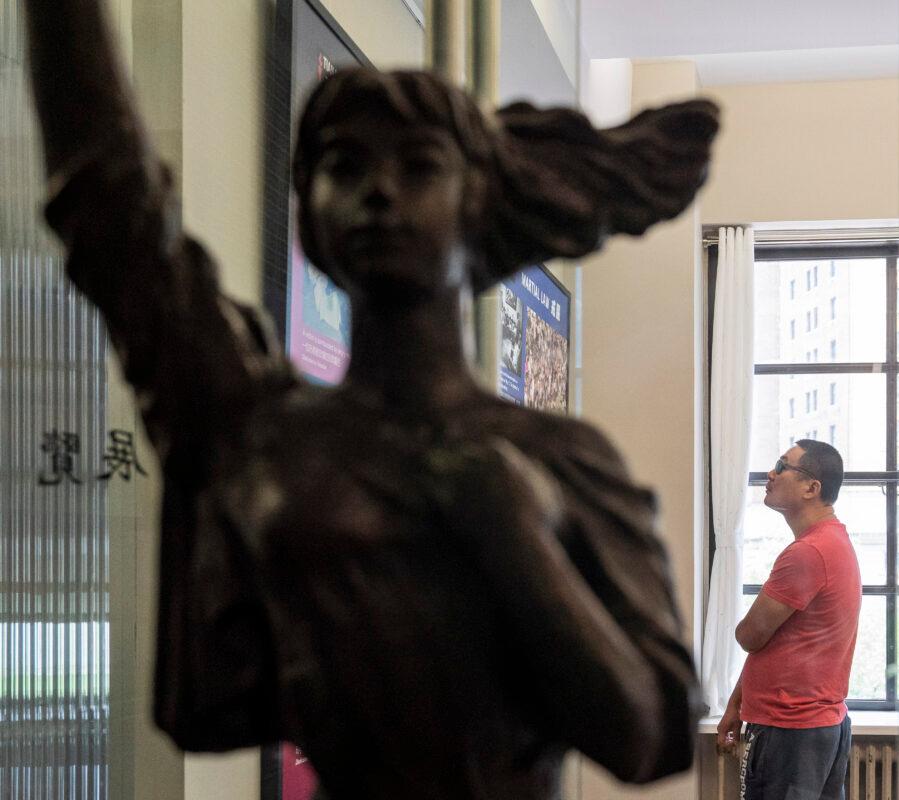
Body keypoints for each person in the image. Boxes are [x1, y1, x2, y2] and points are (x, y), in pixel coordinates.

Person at [21, 2, 719, 798]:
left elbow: (652, 733)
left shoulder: (556, 459)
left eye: (419, 167)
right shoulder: (262, 432)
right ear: (309, 209)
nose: (379, 192)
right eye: (345, 167)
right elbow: (115, 214)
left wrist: (520, 541)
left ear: (476, 199)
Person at [717, 440, 862, 800]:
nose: (771, 473)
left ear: (812, 488)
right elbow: (776, 644)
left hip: (792, 731)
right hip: (812, 726)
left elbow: (750, 636)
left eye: (782, 466)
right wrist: (737, 703)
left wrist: (745, 626)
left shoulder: (808, 552)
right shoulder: (831, 541)